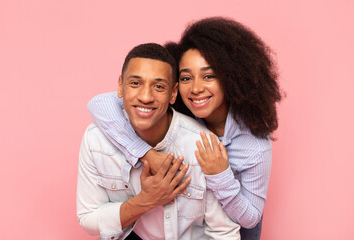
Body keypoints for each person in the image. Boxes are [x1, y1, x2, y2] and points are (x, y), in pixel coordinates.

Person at [88, 17, 282, 240]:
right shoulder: (177, 105)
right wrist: (146, 153)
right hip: (188, 220)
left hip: (236, 224)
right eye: (187, 77)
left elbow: (251, 219)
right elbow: (100, 104)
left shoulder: (254, 144)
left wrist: (220, 176)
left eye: (208, 76)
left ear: (231, 78)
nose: (196, 88)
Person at [77, 43, 241, 240]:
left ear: (173, 93)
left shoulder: (202, 146)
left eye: (159, 87)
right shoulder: (96, 140)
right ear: (120, 86)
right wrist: (146, 201)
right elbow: (88, 219)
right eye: (135, 83)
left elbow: (224, 233)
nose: (146, 97)